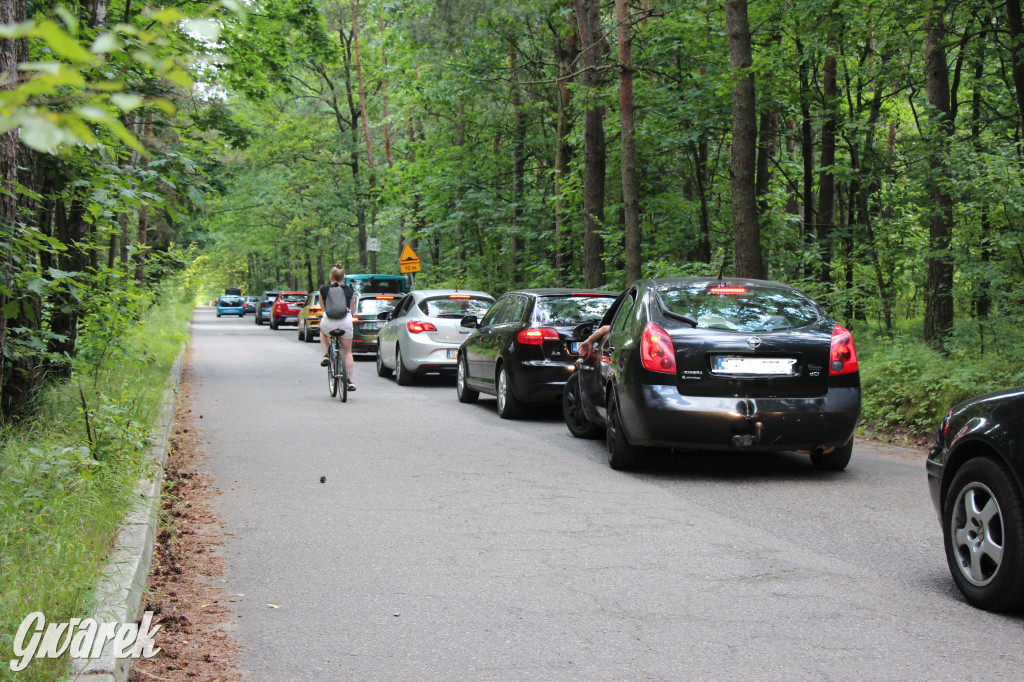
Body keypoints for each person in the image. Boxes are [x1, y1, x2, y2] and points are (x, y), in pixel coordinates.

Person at [318, 262, 356, 392]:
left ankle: (326, 355)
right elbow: (352, 310)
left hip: (329, 322)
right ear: (342, 277)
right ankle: (350, 381)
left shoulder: (323, 289)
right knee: (347, 352)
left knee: (323, 333)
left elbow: (323, 309)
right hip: (345, 322)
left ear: (331, 276)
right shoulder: (349, 290)